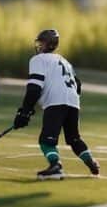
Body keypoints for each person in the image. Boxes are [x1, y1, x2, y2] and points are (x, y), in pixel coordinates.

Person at [13, 29, 99, 181]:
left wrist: (25, 112)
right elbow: (78, 85)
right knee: (74, 138)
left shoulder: (38, 60)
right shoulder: (65, 61)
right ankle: (91, 161)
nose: (39, 45)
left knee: (46, 140)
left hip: (56, 101)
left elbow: (34, 88)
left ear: (47, 44)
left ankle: (55, 166)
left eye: (41, 42)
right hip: (73, 101)